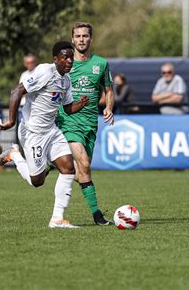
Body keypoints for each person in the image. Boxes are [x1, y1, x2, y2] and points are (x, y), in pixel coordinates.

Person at [0, 41, 89, 229]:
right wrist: (11, 121)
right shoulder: (45, 71)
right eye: (65, 57)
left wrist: (82, 104)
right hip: (32, 133)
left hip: (51, 131)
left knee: (68, 168)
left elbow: (68, 108)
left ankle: (57, 219)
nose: (70, 60)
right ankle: (13, 155)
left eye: (71, 57)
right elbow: (16, 92)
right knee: (37, 181)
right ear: (56, 59)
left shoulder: (66, 80)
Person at [55, 22, 114, 226]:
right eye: (78, 36)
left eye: (85, 36)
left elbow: (108, 90)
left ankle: (55, 164)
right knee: (85, 165)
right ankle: (97, 216)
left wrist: (108, 107)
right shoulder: (65, 64)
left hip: (91, 123)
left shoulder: (101, 64)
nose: (81, 39)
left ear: (91, 39)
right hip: (68, 121)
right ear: (72, 39)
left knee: (82, 172)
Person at [18, 54, 37, 119]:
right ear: (25, 64)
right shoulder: (23, 75)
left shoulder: (38, 73)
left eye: (32, 62)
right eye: (28, 63)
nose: (30, 64)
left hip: (34, 107)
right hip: (23, 105)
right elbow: (20, 91)